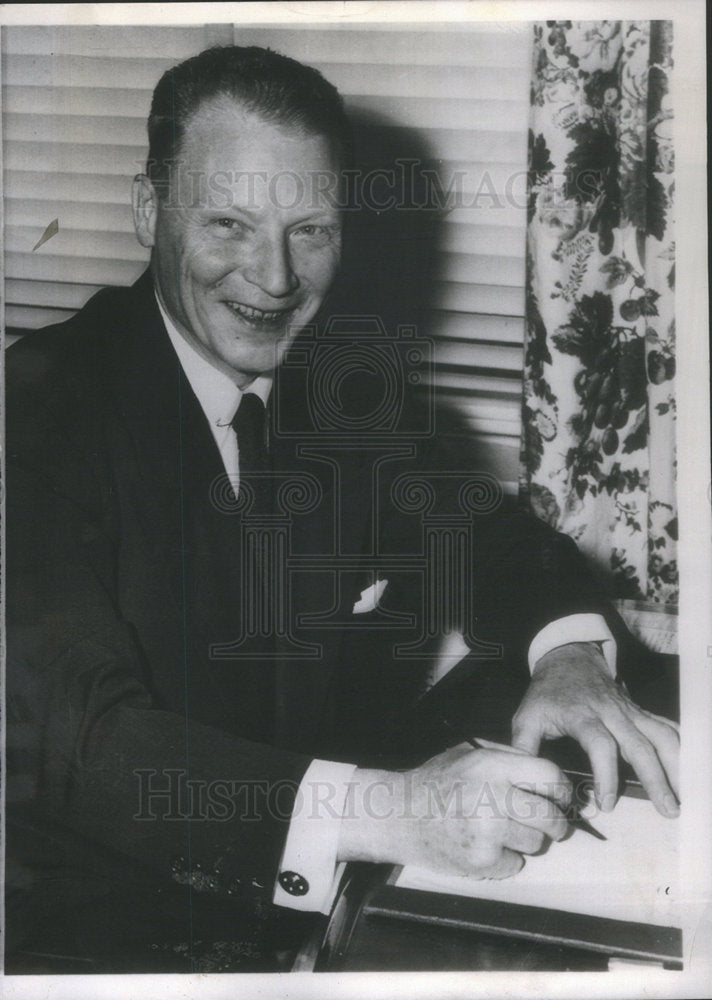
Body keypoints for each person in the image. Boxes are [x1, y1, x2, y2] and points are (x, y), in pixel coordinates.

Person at [4, 45, 680, 974]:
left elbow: (490, 538)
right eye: (230, 224)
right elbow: (86, 742)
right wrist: (397, 811)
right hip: (90, 938)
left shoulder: (342, 393)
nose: (274, 278)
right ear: (148, 211)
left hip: (311, 925)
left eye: (310, 229)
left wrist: (568, 653)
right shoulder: (37, 408)